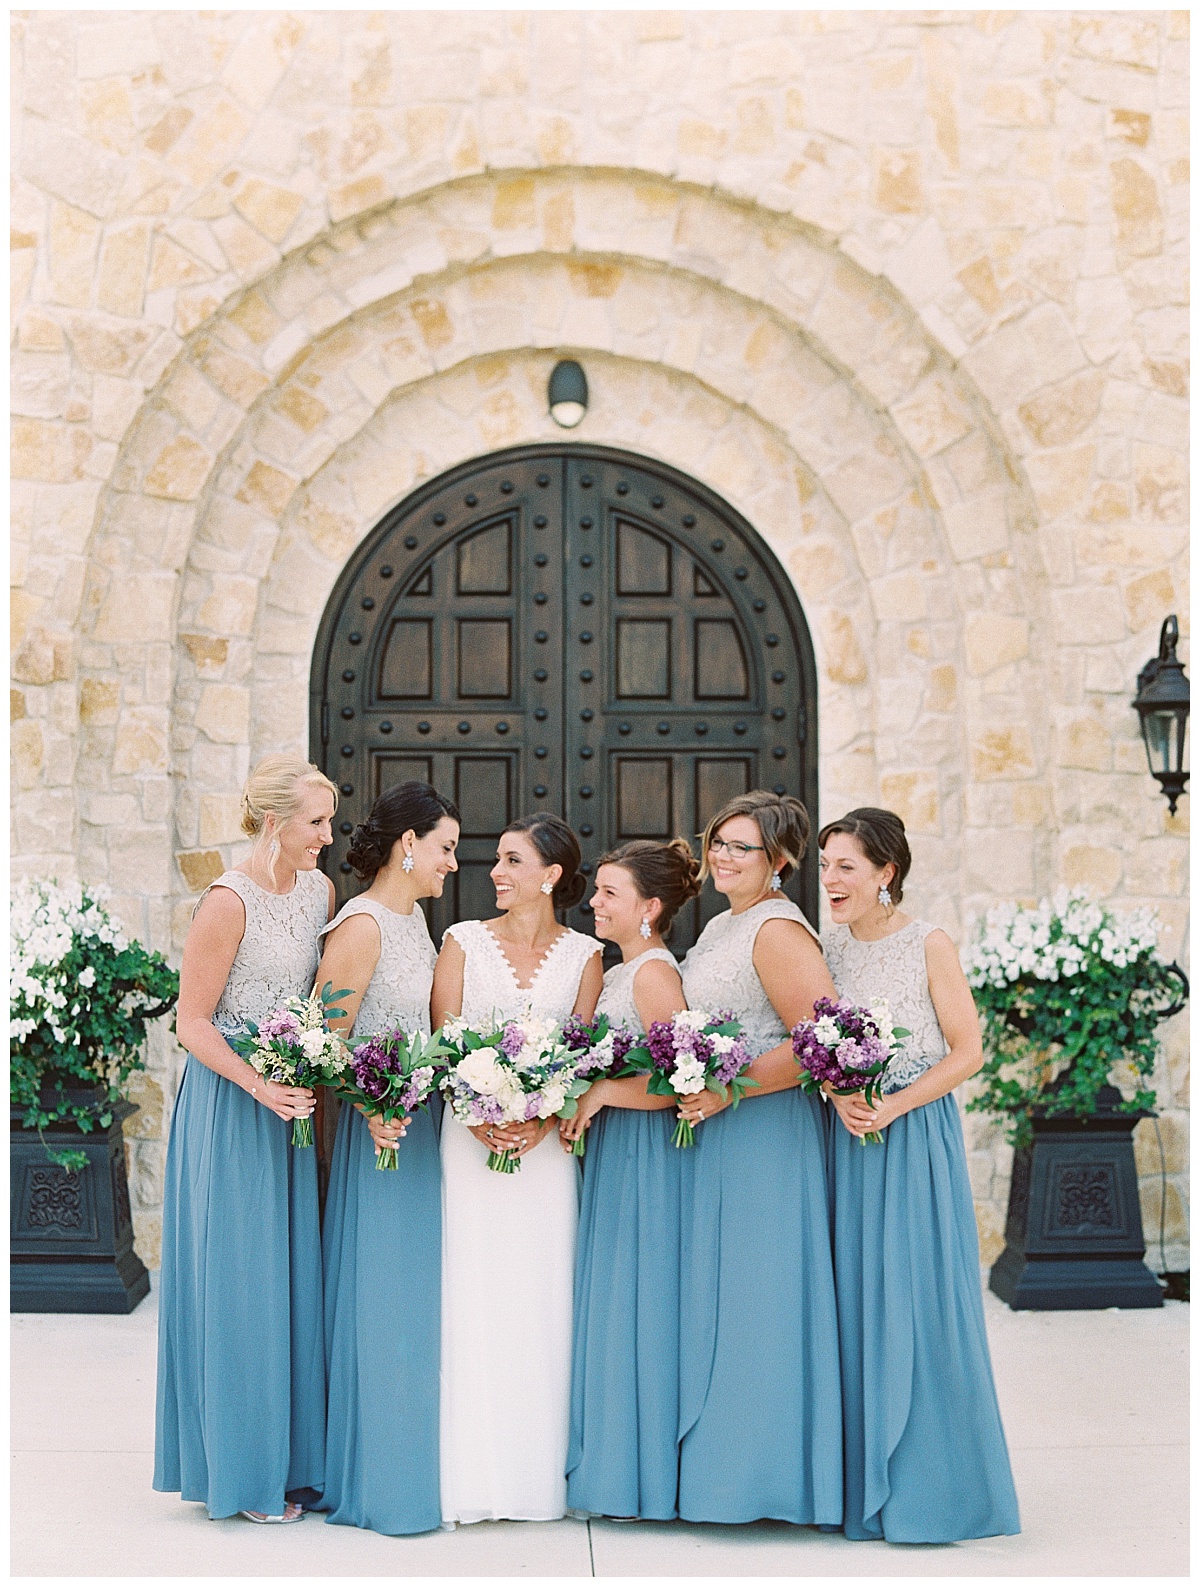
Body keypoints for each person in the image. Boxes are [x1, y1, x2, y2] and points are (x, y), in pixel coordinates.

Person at [819, 807, 1021, 1543]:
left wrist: (895, 1105)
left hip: (911, 1138)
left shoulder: (928, 942)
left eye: (846, 865)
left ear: (886, 873)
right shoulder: (829, 951)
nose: (832, 880)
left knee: (917, 1299)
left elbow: (969, 1050)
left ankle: (937, 1487)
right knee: (853, 1303)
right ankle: (860, 1484)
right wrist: (841, 1094)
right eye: (826, 865)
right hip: (846, 1139)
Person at [154, 755, 337, 1523]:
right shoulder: (227, 901)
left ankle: (293, 1462)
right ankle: (242, 1468)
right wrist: (258, 1083)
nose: (329, 835)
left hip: (287, 1106)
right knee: (239, 1285)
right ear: (274, 822)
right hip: (232, 1106)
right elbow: (190, 1021)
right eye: (317, 821)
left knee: (287, 1282)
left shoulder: (320, 891)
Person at [674, 790, 843, 1526]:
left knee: (759, 1299)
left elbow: (820, 1043)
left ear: (777, 861)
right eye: (719, 841)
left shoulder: (776, 929)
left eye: (741, 847)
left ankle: (765, 1478)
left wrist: (727, 1088)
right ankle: (721, 1471)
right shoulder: (721, 923)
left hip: (766, 1132)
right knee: (722, 1296)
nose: (722, 855)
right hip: (722, 1127)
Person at [433, 814, 603, 1525]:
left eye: (511, 859)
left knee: (542, 1294)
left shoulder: (586, 954)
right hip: (469, 1142)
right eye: (496, 860)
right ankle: (467, 1476)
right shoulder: (461, 941)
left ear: (551, 875)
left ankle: (537, 1477)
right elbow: (443, 1042)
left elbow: (584, 1052)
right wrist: (478, 1115)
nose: (495, 872)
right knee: (470, 1293)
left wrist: (540, 1112)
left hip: (545, 1154)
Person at [316, 782, 461, 1536]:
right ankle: (380, 1478)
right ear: (409, 842)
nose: (452, 863)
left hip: (421, 1125)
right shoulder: (363, 924)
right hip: (384, 1137)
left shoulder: (415, 919)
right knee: (385, 1297)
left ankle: (415, 1459)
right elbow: (324, 1042)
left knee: (419, 1301)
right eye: (444, 847)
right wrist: (373, 1105)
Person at [562, 840, 699, 1520]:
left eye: (610, 892)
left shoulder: (652, 975)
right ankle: (616, 1464)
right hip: (620, 1153)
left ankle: (638, 1476)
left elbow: (684, 1083)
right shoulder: (625, 970)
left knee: (639, 1304)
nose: (595, 901)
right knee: (618, 1303)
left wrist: (604, 1095)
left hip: (648, 1156)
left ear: (649, 907)